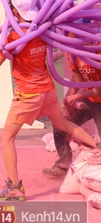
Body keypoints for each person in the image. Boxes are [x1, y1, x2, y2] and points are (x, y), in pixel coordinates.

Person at [0, 0, 101, 201]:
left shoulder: (14, 35)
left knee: (6, 137)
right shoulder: (41, 32)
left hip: (28, 94)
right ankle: (96, 147)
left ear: (14, 12)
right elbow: (12, 50)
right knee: (63, 124)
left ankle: (14, 187)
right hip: (47, 90)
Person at [41, 41, 101, 178]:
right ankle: (63, 165)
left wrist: (80, 95)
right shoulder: (72, 52)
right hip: (90, 99)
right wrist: (68, 99)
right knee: (60, 125)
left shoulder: (98, 48)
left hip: (95, 98)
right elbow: (77, 78)